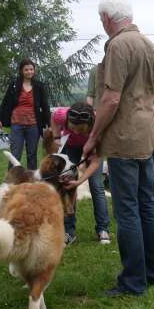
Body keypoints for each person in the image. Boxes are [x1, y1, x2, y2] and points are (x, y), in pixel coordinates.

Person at [83, 0, 154, 297]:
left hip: (124, 136)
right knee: (147, 205)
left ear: (107, 19)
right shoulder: (148, 44)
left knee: (127, 209)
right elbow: (153, 93)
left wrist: (93, 137)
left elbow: (111, 98)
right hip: (147, 132)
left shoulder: (117, 46)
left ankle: (132, 281)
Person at [51, 102, 111, 245]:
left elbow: (95, 162)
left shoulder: (99, 128)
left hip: (92, 148)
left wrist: (80, 180)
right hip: (71, 148)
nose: (76, 132)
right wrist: (56, 137)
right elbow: (53, 117)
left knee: (96, 186)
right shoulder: (63, 115)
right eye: (73, 128)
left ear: (89, 126)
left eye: (81, 130)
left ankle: (103, 229)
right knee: (68, 188)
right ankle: (69, 232)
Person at [0, 59, 50, 170]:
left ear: (34, 70)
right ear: (21, 71)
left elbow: (45, 106)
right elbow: (5, 102)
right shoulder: (14, 85)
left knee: (32, 155)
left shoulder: (39, 86)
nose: (29, 72)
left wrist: (49, 124)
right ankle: (12, 182)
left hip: (34, 125)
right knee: (15, 154)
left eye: (31, 69)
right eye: (26, 70)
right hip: (17, 124)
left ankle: (31, 181)